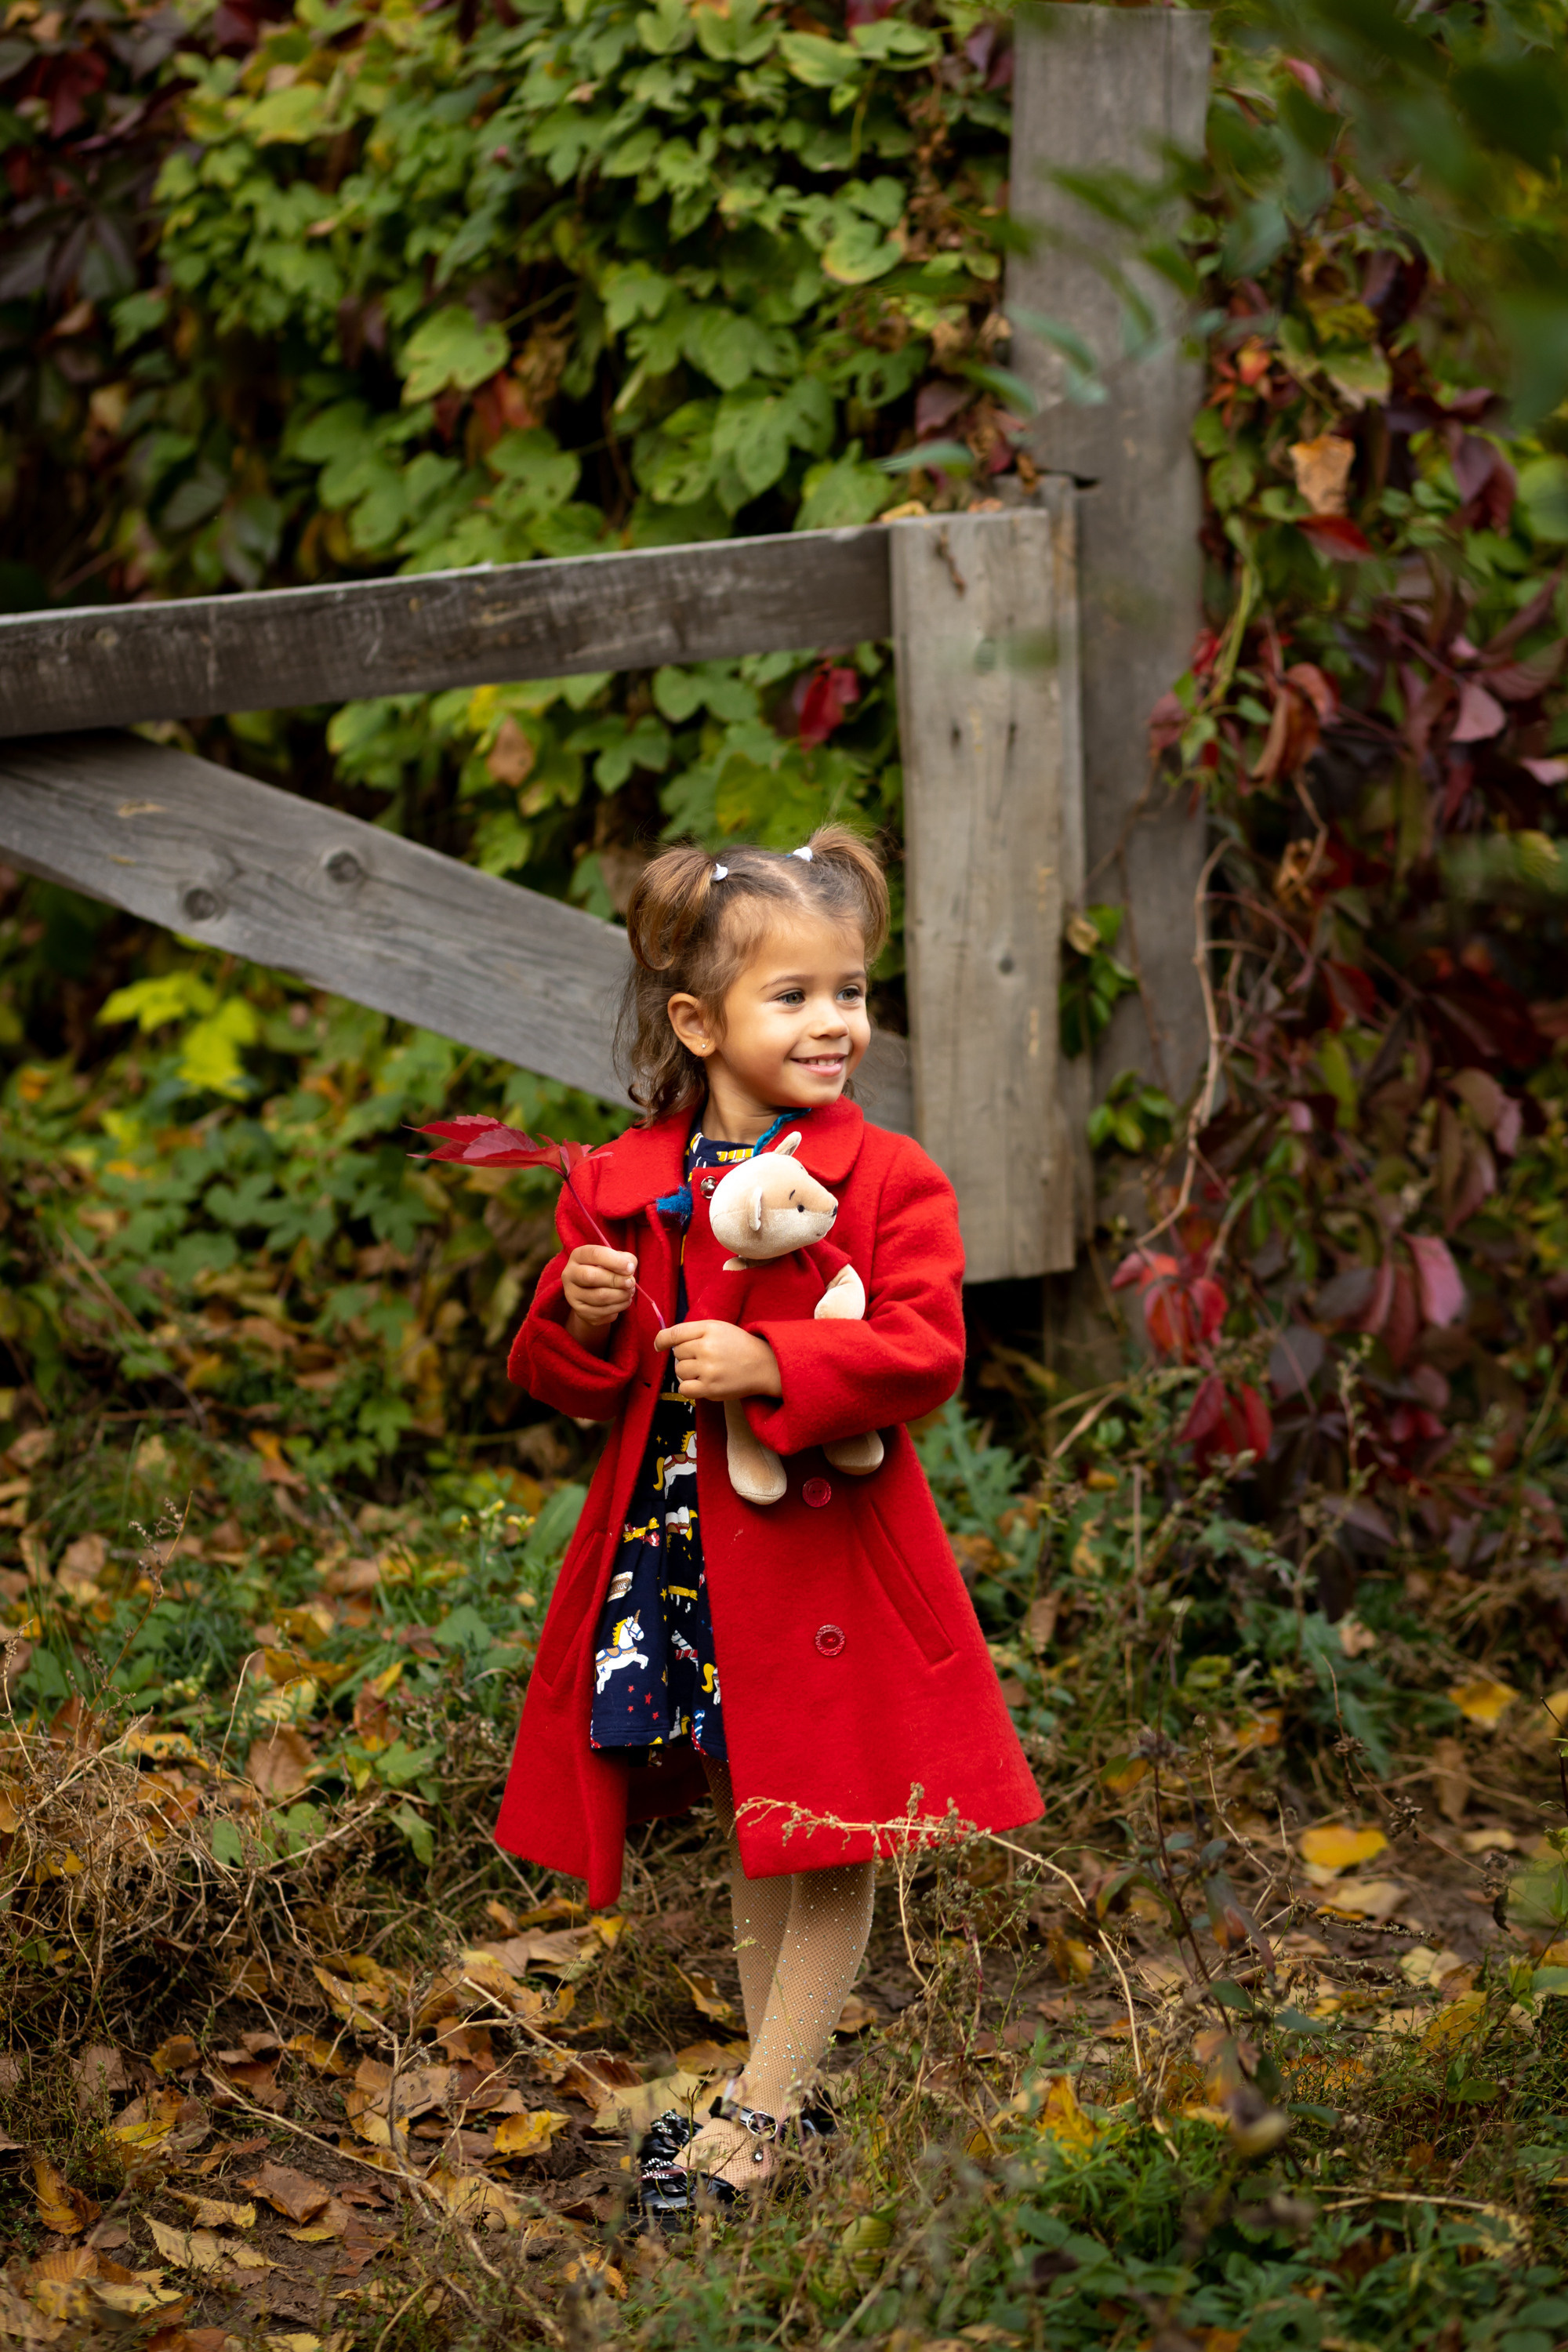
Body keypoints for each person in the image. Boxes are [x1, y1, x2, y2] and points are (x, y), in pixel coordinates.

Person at [495, 826, 1042, 2217]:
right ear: (698, 1021)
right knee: (763, 1809)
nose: (836, 1023)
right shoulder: (619, 1183)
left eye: (851, 990)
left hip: (828, 1556)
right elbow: (568, 1386)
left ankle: (763, 2106)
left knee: (828, 1817)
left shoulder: (886, 1177)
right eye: (793, 995)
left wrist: (781, 1367)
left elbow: (925, 1349)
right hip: (684, 1557)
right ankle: (777, 2098)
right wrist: (581, 1314)